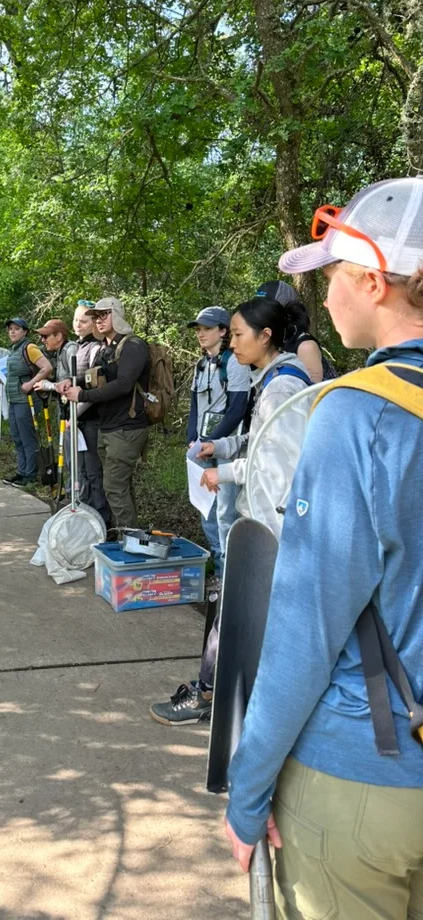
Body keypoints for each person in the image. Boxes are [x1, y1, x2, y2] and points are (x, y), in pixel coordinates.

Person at [225, 178, 423, 919]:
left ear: (374, 281)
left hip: (370, 771)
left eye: (333, 275)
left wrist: (248, 793)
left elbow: (306, 629)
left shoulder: (356, 416)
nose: (326, 296)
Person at [150, 296, 311, 725]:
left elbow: (279, 467)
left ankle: (208, 695)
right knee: (236, 613)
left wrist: (226, 473)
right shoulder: (272, 378)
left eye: (239, 335)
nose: (234, 344)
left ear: (266, 336)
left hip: (270, 526)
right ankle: (228, 694)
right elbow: (257, 441)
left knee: (233, 613)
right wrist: (217, 447)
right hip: (262, 522)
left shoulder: (282, 386)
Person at [65, 296, 149, 530]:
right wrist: (71, 384)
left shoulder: (133, 346)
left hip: (127, 428)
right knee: (119, 486)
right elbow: (97, 380)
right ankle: (130, 535)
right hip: (109, 426)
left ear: (117, 315)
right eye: (96, 317)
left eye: (104, 315)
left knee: (114, 486)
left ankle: (128, 541)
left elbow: (123, 384)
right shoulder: (107, 349)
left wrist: (82, 396)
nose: (99, 320)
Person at [185, 306, 250, 581]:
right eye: (199, 329)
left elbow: (238, 408)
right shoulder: (201, 364)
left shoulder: (234, 362)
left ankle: (229, 571)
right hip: (201, 446)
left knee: (226, 510)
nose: (201, 334)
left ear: (223, 332)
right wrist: (192, 439)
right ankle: (216, 557)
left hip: (227, 448)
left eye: (208, 329)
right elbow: (194, 406)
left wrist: (212, 441)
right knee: (205, 507)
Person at [58, 302, 111, 525]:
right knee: (78, 472)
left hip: (90, 421)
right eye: (76, 320)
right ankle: (83, 517)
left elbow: (92, 388)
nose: (78, 325)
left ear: (93, 324)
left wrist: (75, 415)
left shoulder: (96, 349)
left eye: (84, 321)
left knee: (93, 473)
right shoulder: (76, 347)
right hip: (75, 421)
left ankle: (102, 522)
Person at [2, 317, 53, 487]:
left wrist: (31, 383)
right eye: (10, 329)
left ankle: (30, 474)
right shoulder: (14, 350)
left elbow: (47, 367)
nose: (13, 332)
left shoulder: (29, 347)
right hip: (14, 400)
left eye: (17, 328)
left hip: (27, 400)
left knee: (27, 437)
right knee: (17, 437)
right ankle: (21, 471)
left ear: (25, 332)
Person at [255, 278, 336, 381]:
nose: (258, 313)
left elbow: (310, 393)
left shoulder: (305, 346)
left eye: (265, 308)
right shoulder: (273, 340)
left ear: (286, 310)